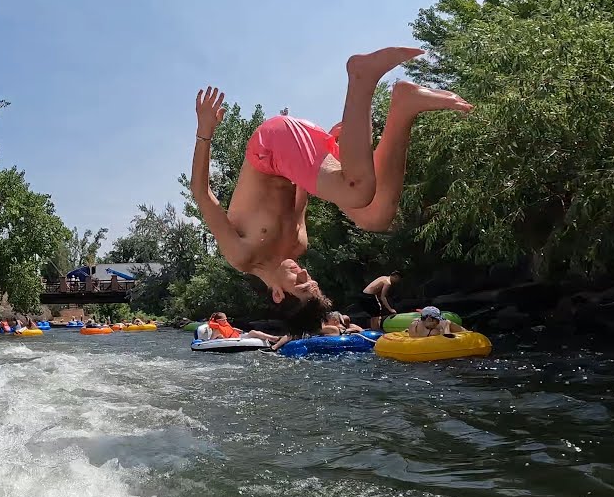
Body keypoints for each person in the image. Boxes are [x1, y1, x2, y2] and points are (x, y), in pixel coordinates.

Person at [191, 48, 472, 335]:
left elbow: (201, 193)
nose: (302, 271)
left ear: (278, 294)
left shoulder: (242, 256)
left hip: (269, 146)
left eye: (300, 283)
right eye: (309, 278)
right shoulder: (298, 245)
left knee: (357, 191)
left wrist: (205, 132)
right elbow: (302, 186)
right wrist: (340, 145)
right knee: (376, 217)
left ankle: (362, 77)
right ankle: (404, 106)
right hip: (292, 160)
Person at [195, 312, 279, 343]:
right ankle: (273, 338)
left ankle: (272, 338)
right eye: (223, 320)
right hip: (232, 340)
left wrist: (236, 330)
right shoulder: (217, 329)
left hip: (237, 337)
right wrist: (220, 338)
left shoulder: (225, 324)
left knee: (253, 332)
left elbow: (229, 330)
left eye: (226, 319)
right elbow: (211, 341)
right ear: (217, 321)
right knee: (253, 332)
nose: (225, 321)